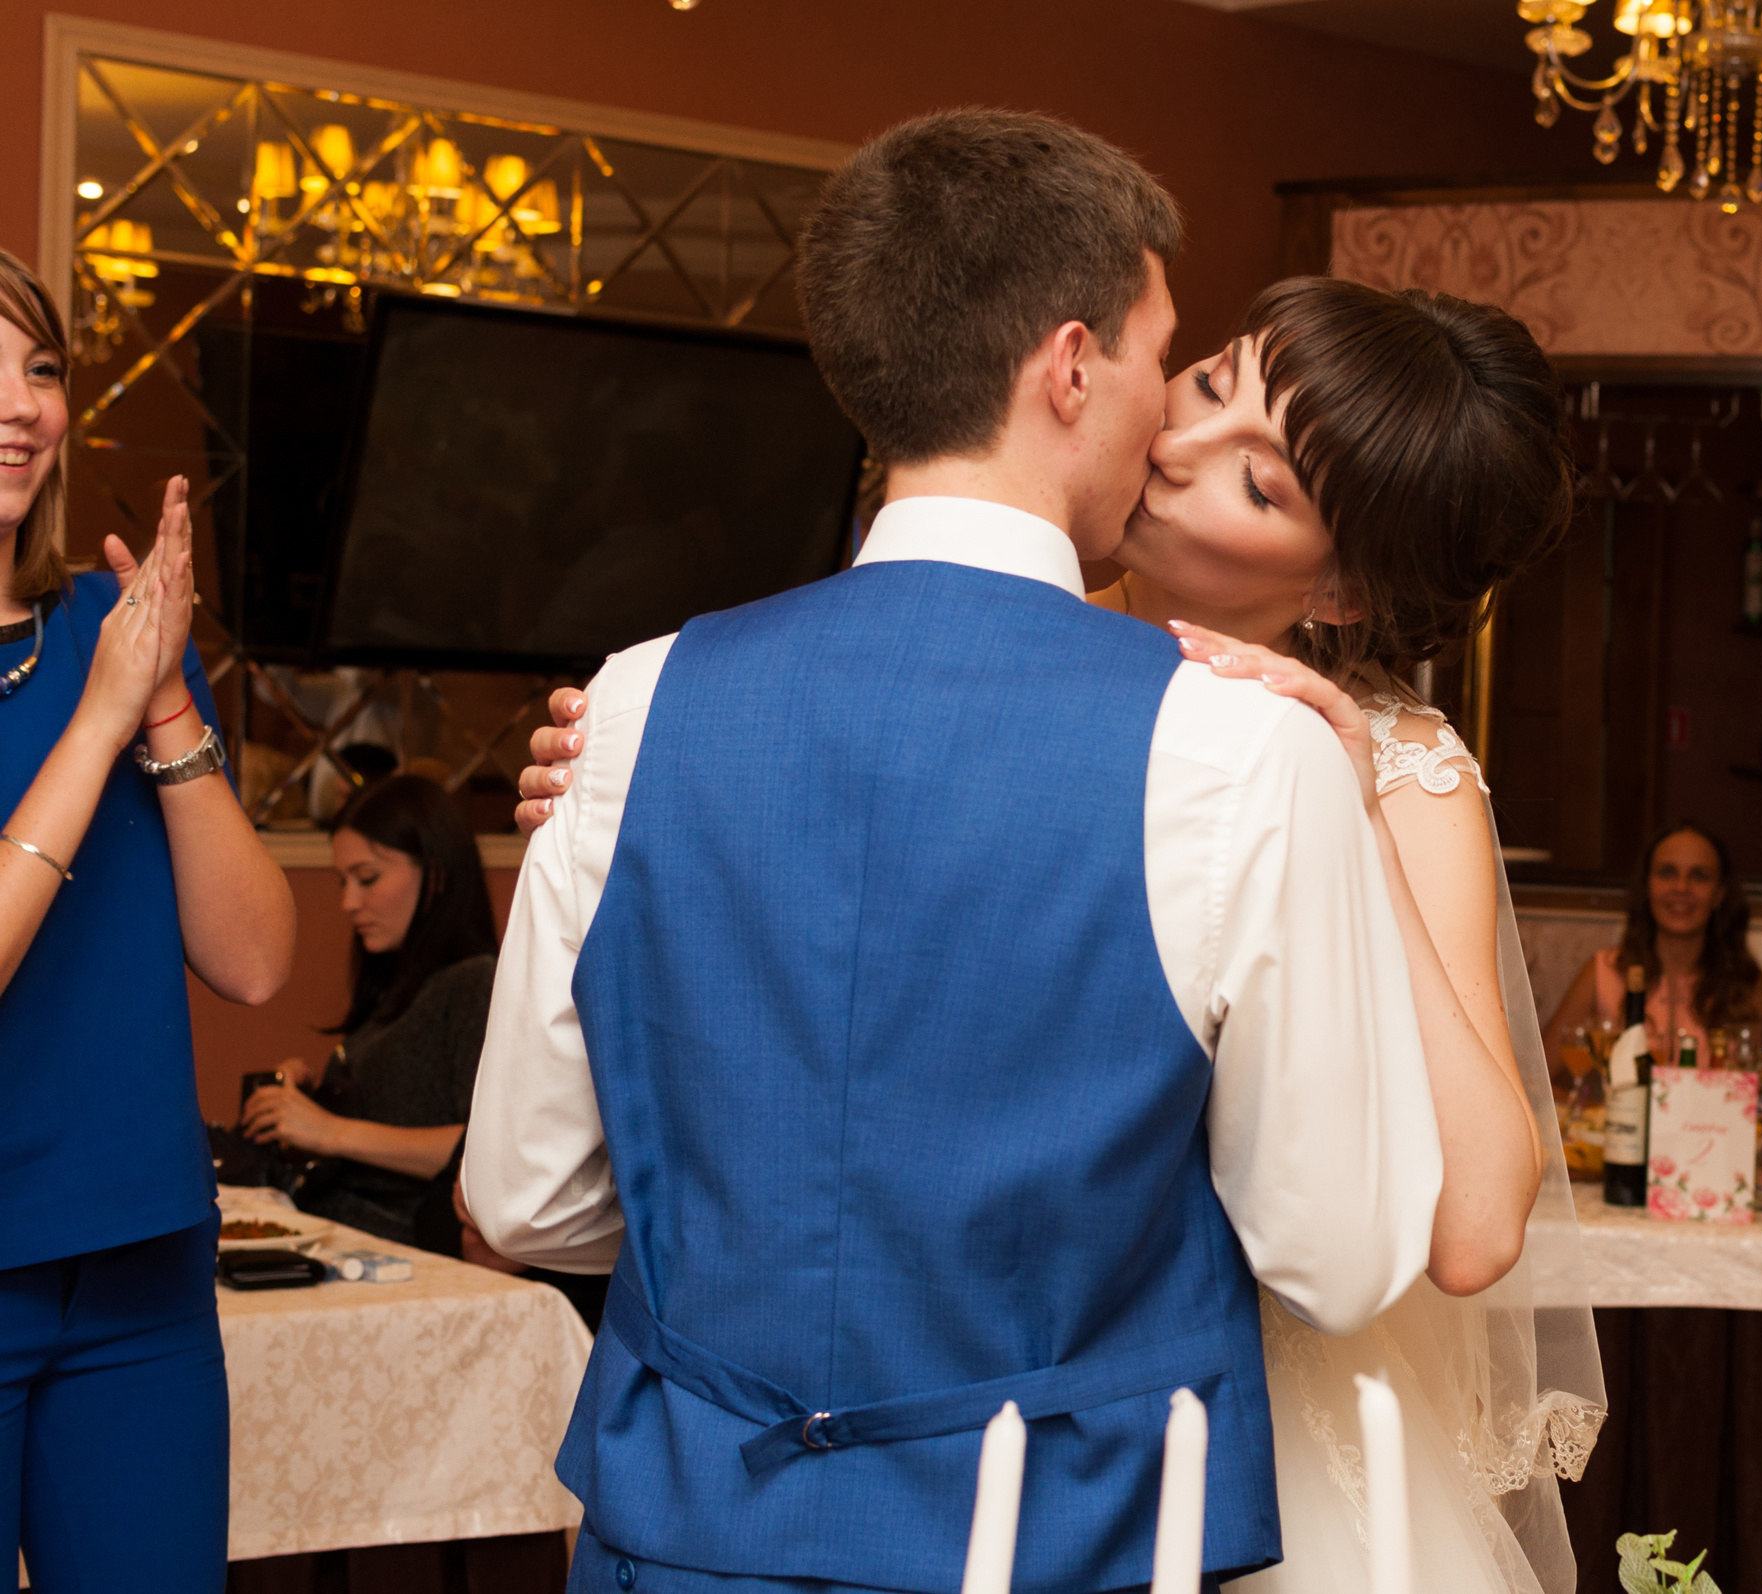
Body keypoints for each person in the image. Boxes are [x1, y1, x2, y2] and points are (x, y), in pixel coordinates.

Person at [465, 111, 1453, 1594]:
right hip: (1060, 1540)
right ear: (1069, 366)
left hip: (682, 1538)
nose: (1169, 428)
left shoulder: (633, 703)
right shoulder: (1242, 752)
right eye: (1160, 359)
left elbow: (528, 1198)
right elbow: (1342, 1255)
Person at [0, 248, 296, 1589]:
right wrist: (105, 713)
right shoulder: (100, 671)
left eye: (42, 368)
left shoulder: (112, 630)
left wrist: (165, 699)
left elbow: (251, 958)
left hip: (139, 1268)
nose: (22, 404)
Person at [241, 775, 495, 1246]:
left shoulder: (474, 982)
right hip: (337, 1228)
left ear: (436, 874)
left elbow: (481, 1150)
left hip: (405, 1248)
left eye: (368, 878)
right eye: (344, 881)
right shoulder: (396, 985)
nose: (348, 902)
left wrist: (329, 1131)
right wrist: (317, 1097)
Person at [1540, 822, 1762, 1073]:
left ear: (1719, 894)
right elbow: (1535, 1077)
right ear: (1647, 886)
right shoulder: (1603, 972)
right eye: (1667, 873)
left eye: (1699, 876)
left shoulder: (1747, 983)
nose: (1681, 888)